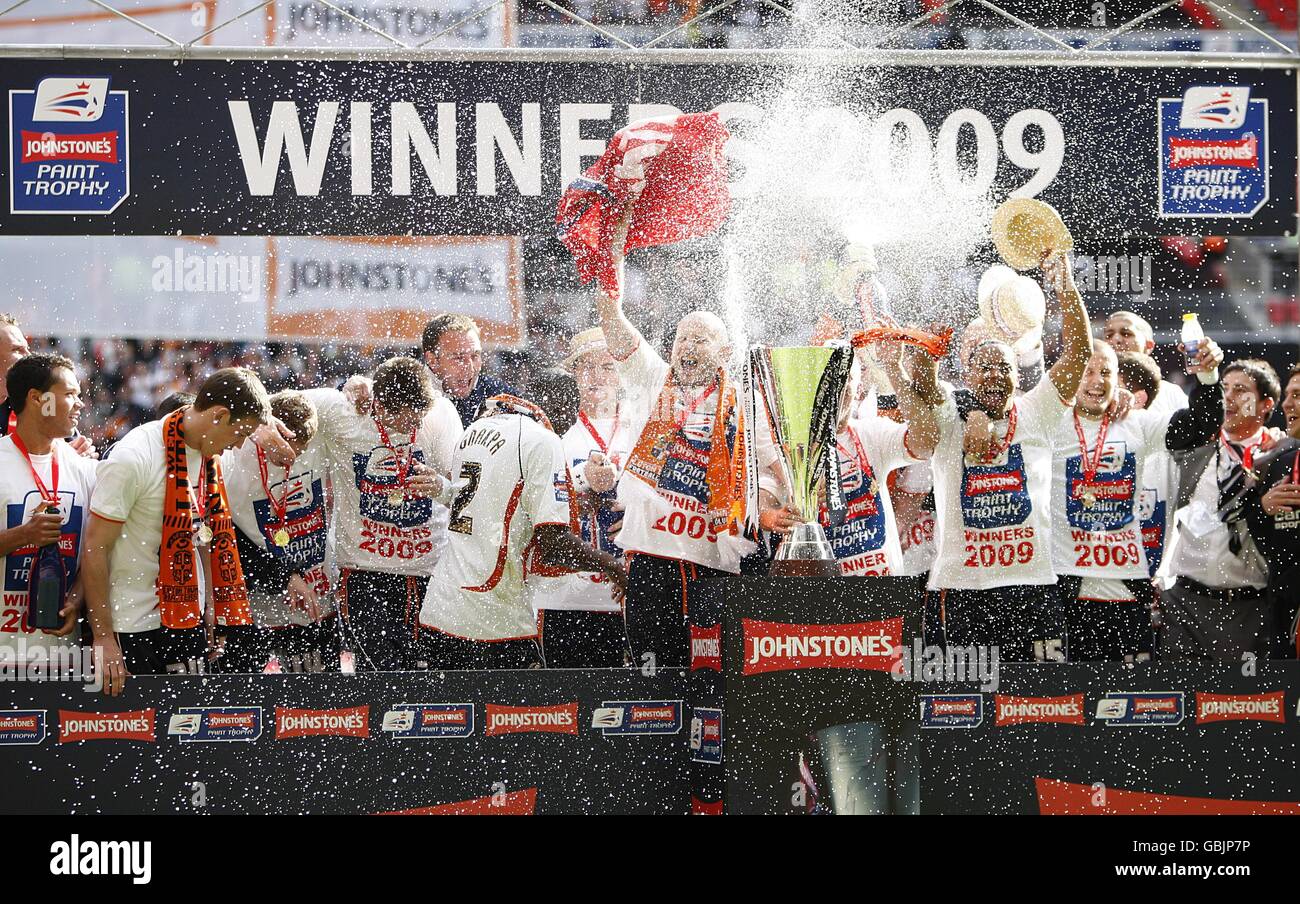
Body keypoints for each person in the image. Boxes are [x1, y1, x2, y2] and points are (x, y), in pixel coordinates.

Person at [595, 208, 755, 670]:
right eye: (682, 338)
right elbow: (611, 317)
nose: (686, 346)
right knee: (653, 681)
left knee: (714, 682)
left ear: (724, 352)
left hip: (713, 564)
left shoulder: (740, 404)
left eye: (700, 340)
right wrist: (614, 248)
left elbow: (762, 473)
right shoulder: (652, 379)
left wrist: (769, 503)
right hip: (652, 558)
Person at [926, 252, 1091, 662]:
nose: (994, 374)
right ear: (966, 376)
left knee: (1045, 702)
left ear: (1020, 374)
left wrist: (1065, 290)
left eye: (1003, 366)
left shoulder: (1036, 410)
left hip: (1033, 585)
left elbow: (1080, 353)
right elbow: (925, 393)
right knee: (971, 707)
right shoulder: (950, 414)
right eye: (983, 367)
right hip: (964, 589)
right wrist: (925, 352)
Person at [83, 368, 272, 695]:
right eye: (239, 434)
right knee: (135, 739)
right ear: (219, 415)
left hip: (187, 620)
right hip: (131, 625)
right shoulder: (134, 458)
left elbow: (204, 536)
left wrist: (210, 605)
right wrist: (102, 637)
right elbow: (94, 549)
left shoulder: (209, 452)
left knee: (189, 734)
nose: (239, 445)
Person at [418, 394, 628, 669]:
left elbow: (486, 508)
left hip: (441, 607)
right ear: (564, 410)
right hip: (493, 617)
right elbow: (553, 544)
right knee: (524, 711)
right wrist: (612, 566)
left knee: (451, 710)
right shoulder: (543, 440)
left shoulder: (475, 429)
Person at [1049, 340, 1223, 662]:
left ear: (1118, 382)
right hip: (1064, 595)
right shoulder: (1048, 422)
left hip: (1127, 592)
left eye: (1106, 373)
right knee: (1061, 705)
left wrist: (1209, 378)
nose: (1097, 381)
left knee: (1133, 706)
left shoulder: (1137, 423)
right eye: (1087, 372)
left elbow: (1202, 425)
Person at [303, 357, 461, 671]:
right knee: (379, 677)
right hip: (365, 573)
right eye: (408, 419)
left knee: (429, 676)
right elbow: (279, 407)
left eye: (421, 416)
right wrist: (345, 386)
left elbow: (468, 494)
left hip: (428, 573)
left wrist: (442, 487)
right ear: (383, 406)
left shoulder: (441, 414)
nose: (416, 425)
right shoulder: (345, 414)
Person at [758, 340, 941, 577]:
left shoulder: (871, 434)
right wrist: (773, 517)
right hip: (819, 590)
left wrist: (893, 368)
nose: (835, 390)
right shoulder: (791, 445)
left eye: (844, 380)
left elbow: (926, 441)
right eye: (827, 380)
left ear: (859, 387)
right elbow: (761, 498)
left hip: (882, 588)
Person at [1161, 358, 1282, 660]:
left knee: (1247, 704)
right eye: (1224, 388)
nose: (1228, 398)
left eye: (1240, 390)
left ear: (1265, 404)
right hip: (1186, 602)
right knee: (1182, 701)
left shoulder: (1281, 455)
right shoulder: (1198, 448)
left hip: (1251, 606)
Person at [218, 390, 338, 673]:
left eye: (300, 451)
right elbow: (229, 538)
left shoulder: (321, 433)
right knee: (249, 699)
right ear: (272, 431)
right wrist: (281, 575)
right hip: (258, 600)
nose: (291, 458)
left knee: (318, 695)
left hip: (315, 595)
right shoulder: (234, 457)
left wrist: (355, 385)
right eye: (285, 448)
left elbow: (336, 397)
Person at [538, 328, 635, 668]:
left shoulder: (641, 428)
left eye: (607, 367)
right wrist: (581, 482)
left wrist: (637, 511)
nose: (596, 376)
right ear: (574, 374)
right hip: (572, 598)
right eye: (586, 367)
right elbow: (539, 501)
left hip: (635, 591)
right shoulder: (556, 436)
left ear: (622, 372)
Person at [0, 354, 97, 673]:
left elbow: (97, 550)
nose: (79, 403)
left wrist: (77, 598)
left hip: (62, 659)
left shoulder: (85, 469)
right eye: (70, 394)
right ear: (37, 399)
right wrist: (24, 535)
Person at [1241, 363, 1300, 656]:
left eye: (1298, 395)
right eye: (1288, 395)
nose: (1287, 403)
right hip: (1285, 606)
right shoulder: (1278, 462)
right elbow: (1259, 535)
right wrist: (1262, 509)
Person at [422, 314, 517, 427]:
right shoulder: (408, 397)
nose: (470, 368)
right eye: (458, 358)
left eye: (475, 356)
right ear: (432, 361)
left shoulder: (498, 394)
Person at [1103, 310, 1189, 417]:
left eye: (1126, 334)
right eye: (1109, 335)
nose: (1116, 339)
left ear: (1148, 346)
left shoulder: (1170, 393)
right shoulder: (1092, 391)